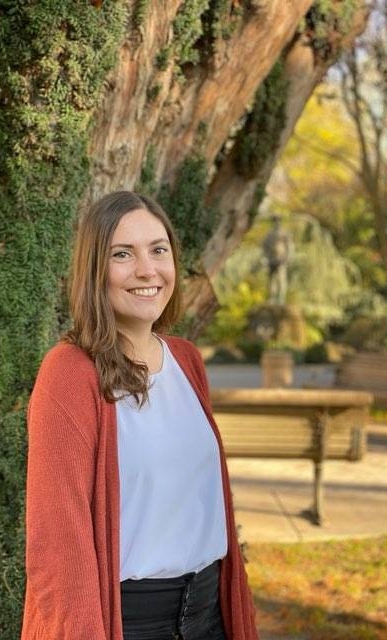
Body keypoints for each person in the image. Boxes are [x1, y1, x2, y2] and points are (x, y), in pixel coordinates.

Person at [20, 191, 259, 640]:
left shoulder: (187, 360)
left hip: (210, 617)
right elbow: (58, 543)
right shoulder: (70, 372)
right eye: (123, 254)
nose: (147, 270)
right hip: (129, 624)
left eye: (158, 250)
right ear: (95, 270)